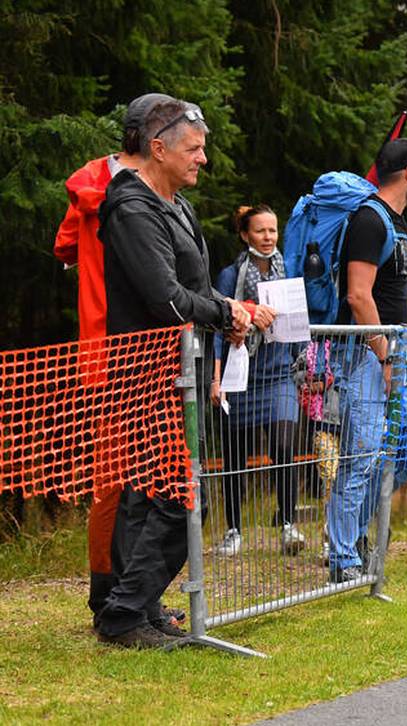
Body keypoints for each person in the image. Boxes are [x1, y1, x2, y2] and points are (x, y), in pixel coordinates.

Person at [96, 99, 255, 648]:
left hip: (179, 373)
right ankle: (123, 614)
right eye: (194, 149)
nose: (203, 159)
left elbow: (197, 286)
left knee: (155, 495)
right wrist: (223, 313)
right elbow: (165, 298)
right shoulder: (131, 209)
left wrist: (231, 312)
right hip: (142, 373)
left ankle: (137, 607)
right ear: (157, 148)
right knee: (180, 497)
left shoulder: (178, 206)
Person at [54, 91, 177, 630]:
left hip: (101, 344)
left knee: (122, 475)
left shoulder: (90, 178)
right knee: (133, 476)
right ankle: (113, 596)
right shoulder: (142, 191)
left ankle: (125, 592)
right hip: (130, 344)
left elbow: (63, 246)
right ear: (157, 137)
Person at [327, 138, 407, 583]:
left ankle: (351, 535)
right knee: (364, 453)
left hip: (395, 346)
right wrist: (384, 354)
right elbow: (357, 294)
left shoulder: (396, 221)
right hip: (369, 351)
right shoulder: (369, 220)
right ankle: (343, 556)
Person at [209, 204, 305, 556]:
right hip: (241, 375)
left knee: (283, 445)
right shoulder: (229, 276)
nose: (268, 238)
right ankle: (233, 529)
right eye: (261, 231)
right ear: (245, 234)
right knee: (235, 456)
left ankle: (288, 524)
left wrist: (305, 363)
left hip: (279, 373)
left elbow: (302, 324)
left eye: (273, 231)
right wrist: (215, 379)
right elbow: (217, 331)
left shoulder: (290, 272)